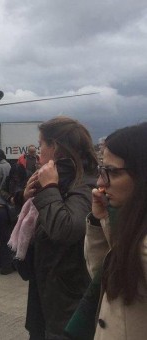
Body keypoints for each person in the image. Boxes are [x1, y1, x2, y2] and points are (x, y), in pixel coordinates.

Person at [17, 116, 98, 339]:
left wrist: (49, 188)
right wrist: (27, 198)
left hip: (67, 299)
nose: (38, 150)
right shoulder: (60, 180)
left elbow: (66, 229)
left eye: (41, 144)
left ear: (56, 147)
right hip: (48, 292)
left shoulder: (84, 183)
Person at [81, 122, 147, 339]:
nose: (100, 182)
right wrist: (102, 223)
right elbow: (107, 279)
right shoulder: (134, 226)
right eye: (102, 170)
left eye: (111, 172)